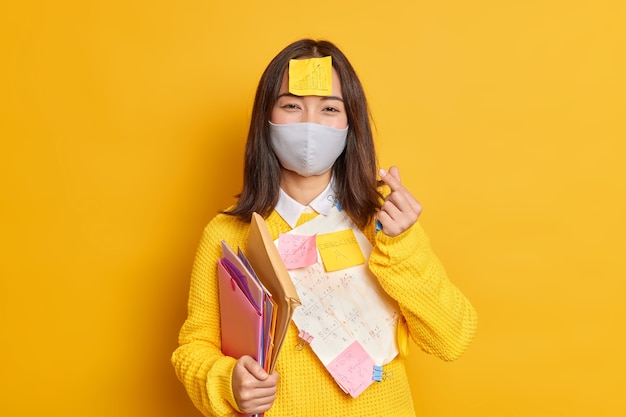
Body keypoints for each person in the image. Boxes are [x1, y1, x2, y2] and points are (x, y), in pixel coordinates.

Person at [172, 38, 477, 417]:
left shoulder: (381, 222)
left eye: (329, 108)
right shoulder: (227, 233)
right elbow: (194, 347)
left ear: (351, 123)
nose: (309, 125)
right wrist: (226, 380)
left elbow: (452, 338)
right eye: (291, 105)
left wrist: (402, 246)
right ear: (266, 118)